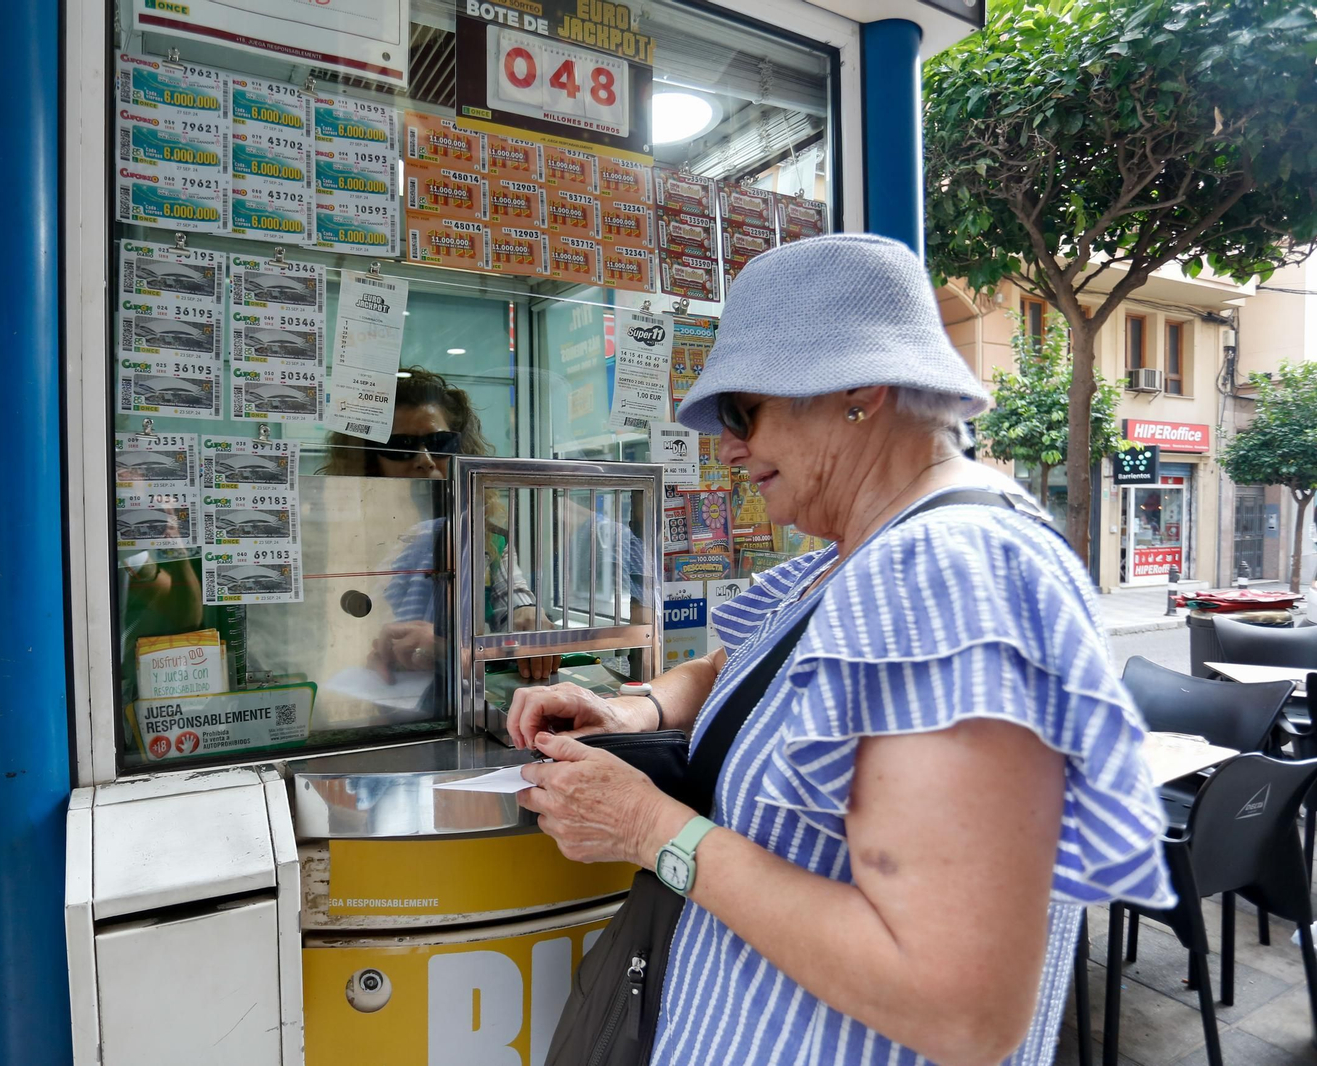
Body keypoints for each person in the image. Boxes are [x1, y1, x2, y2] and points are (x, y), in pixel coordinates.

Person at [508, 235, 1172, 1066]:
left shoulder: (946, 571)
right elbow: (736, 666)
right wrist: (634, 709)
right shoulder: (852, 559)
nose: (728, 447)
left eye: (742, 412)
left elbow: (959, 1004)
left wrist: (651, 830)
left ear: (860, 390)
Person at [322, 367, 561, 681]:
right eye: (400, 446)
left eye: (440, 442)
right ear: (369, 458)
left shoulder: (482, 538)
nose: (424, 460)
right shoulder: (339, 537)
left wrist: (527, 615)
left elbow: (514, 601)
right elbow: (333, 637)